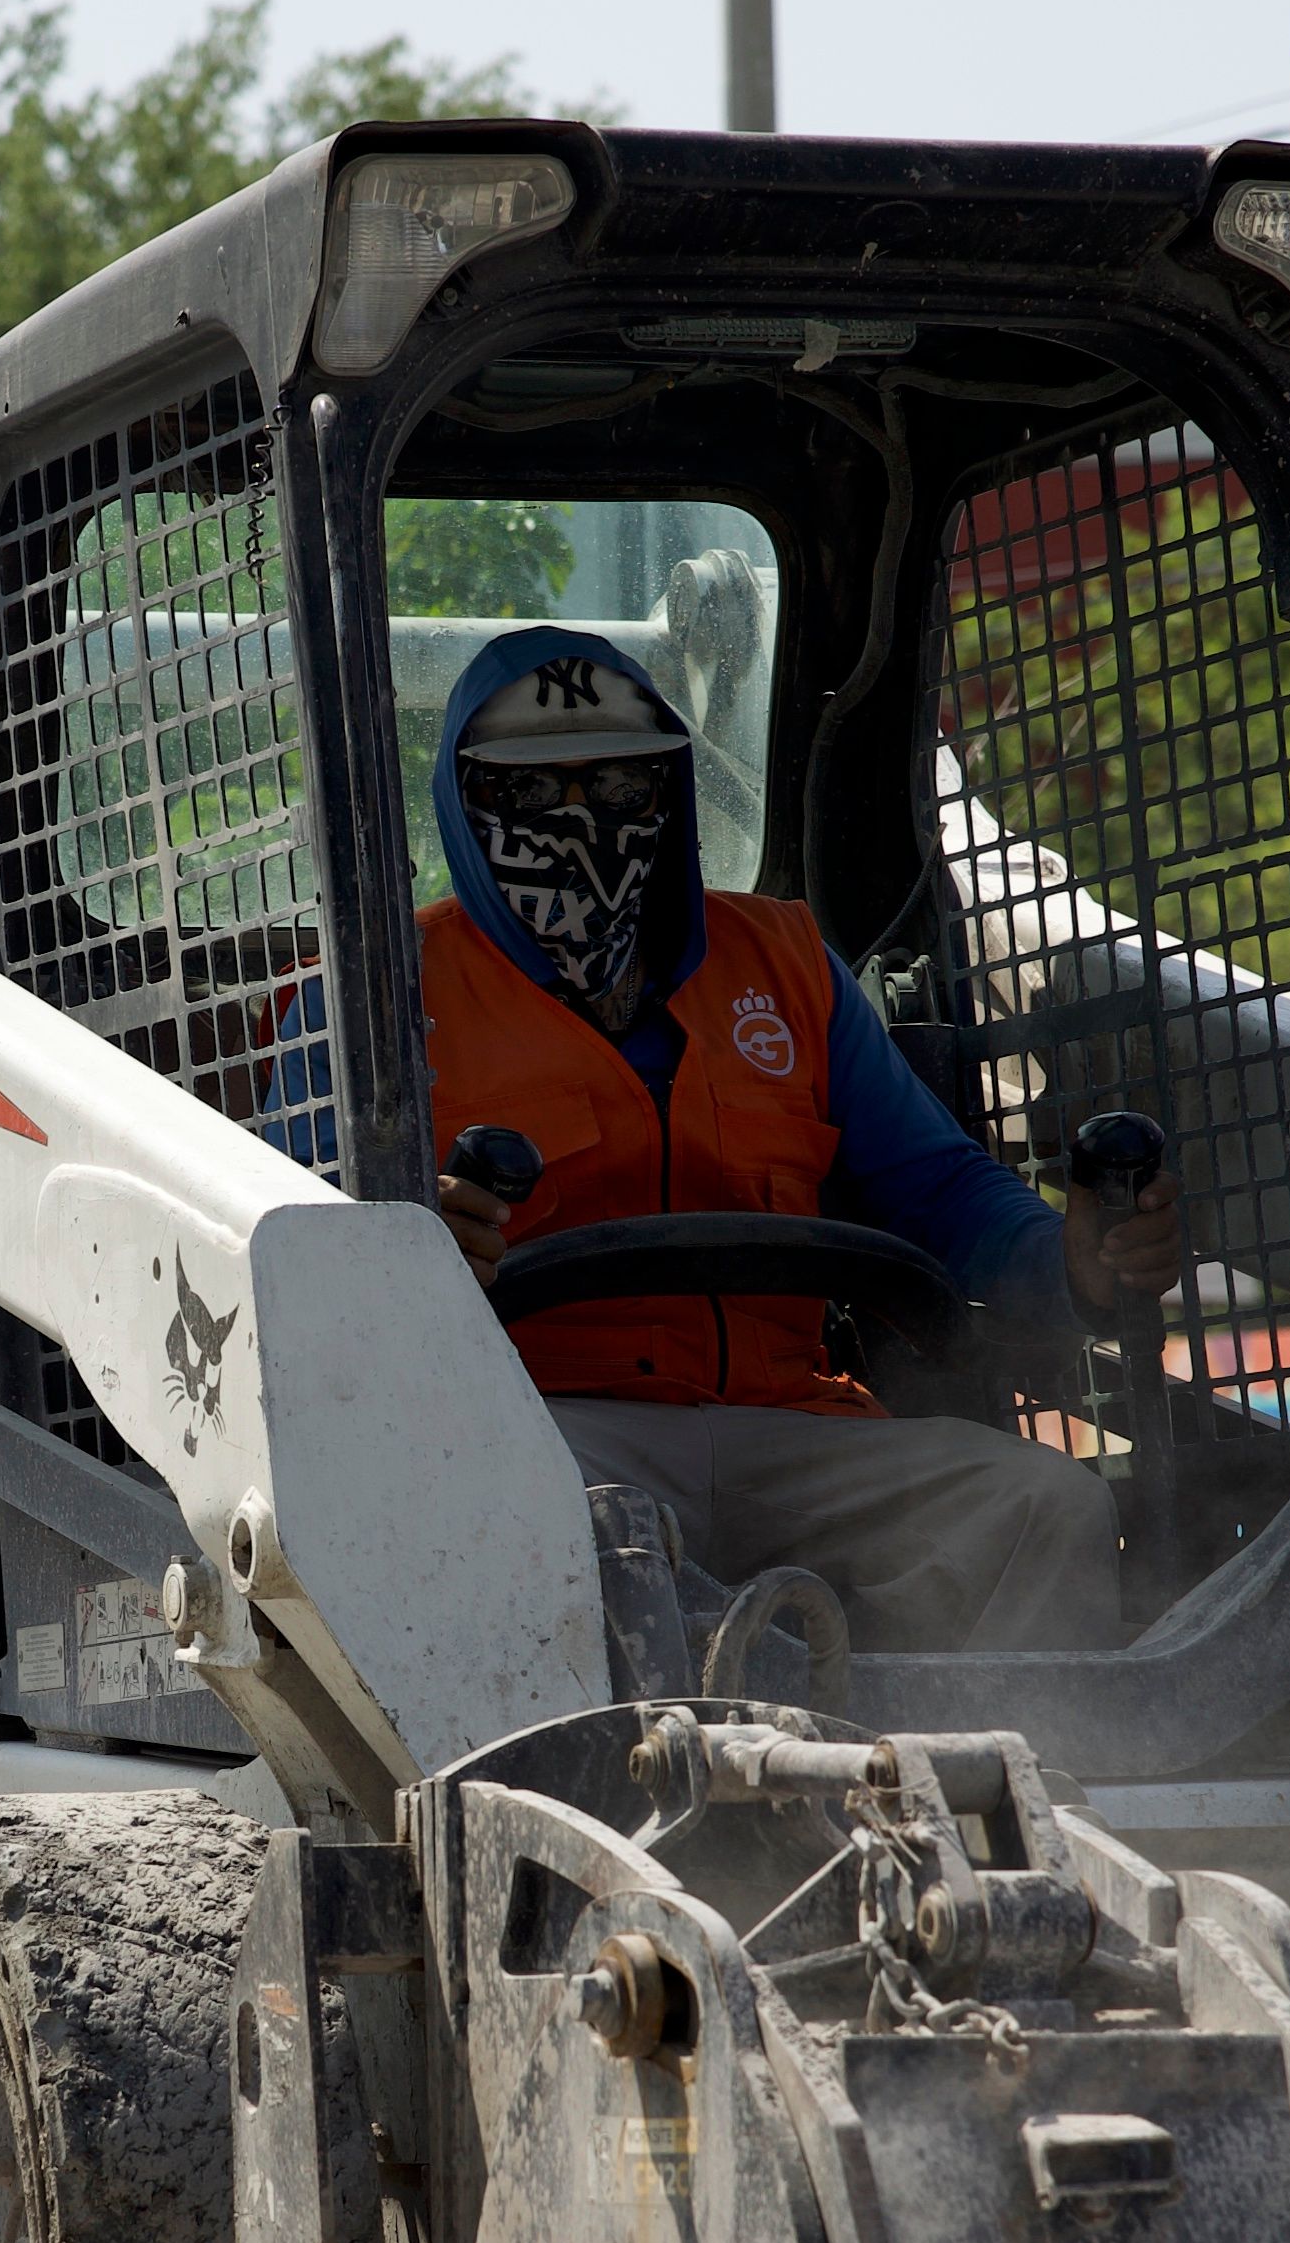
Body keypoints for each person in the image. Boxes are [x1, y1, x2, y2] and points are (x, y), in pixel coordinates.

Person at [420, 627, 1176, 1656]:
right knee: (546, 1528)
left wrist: (1066, 1257)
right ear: (463, 810)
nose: (580, 827)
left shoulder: (783, 964)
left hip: (792, 1422)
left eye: (617, 789)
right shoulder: (388, 995)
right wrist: (406, 1248)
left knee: (1046, 1507)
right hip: (541, 1428)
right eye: (530, 798)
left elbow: (940, 1186)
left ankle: (1023, 1775)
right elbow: (276, 1231)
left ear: (670, 791)